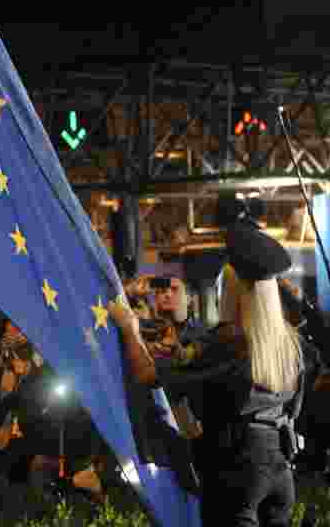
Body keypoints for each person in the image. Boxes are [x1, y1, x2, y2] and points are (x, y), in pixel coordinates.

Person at [110, 223, 313, 527]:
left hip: (236, 471)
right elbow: (294, 409)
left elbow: (147, 375)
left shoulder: (231, 342)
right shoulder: (290, 344)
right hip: (280, 471)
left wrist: (129, 329)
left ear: (233, 292)